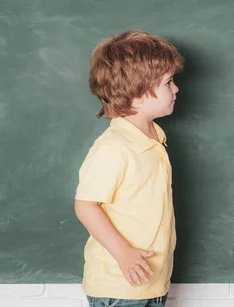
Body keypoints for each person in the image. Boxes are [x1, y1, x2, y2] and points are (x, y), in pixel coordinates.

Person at [74, 30, 183, 307]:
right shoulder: (114, 147)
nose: (176, 89)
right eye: (168, 83)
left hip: (150, 281)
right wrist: (123, 253)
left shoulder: (154, 139)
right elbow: (86, 205)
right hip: (119, 286)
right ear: (137, 93)